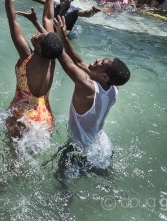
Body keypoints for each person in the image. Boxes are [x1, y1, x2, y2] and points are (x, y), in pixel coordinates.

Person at [52, 15, 131, 177]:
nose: (97, 60)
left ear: (105, 76)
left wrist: (49, 33)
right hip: (102, 145)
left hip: (81, 150)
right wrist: (64, 37)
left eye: (101, 63)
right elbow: (80, 63)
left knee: (62, 184)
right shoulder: (113, 88)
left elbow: (62, 57)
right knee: (105, 177)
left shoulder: (87, 88)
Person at [0, 0, 64, 137]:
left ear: (39, 49)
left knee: (13, 158)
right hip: (45, 116)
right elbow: (48, 17)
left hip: (22, 116)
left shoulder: (26, 57)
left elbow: (12, 21)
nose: (37, 33)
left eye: (39, 37)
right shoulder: (52, 56)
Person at [16, 0, 100, 31]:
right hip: (51, 31)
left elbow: (86, 14)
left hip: (65, 35)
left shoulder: (74, 11)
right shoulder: (54, 5)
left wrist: (93, 11)